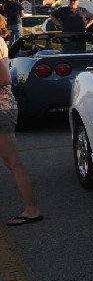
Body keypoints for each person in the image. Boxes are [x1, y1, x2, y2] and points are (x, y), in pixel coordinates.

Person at [0, 15, 42, 226]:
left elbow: (5, 78)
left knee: (13, 161)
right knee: (11, 161)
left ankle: (32, 209)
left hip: (2, 108)